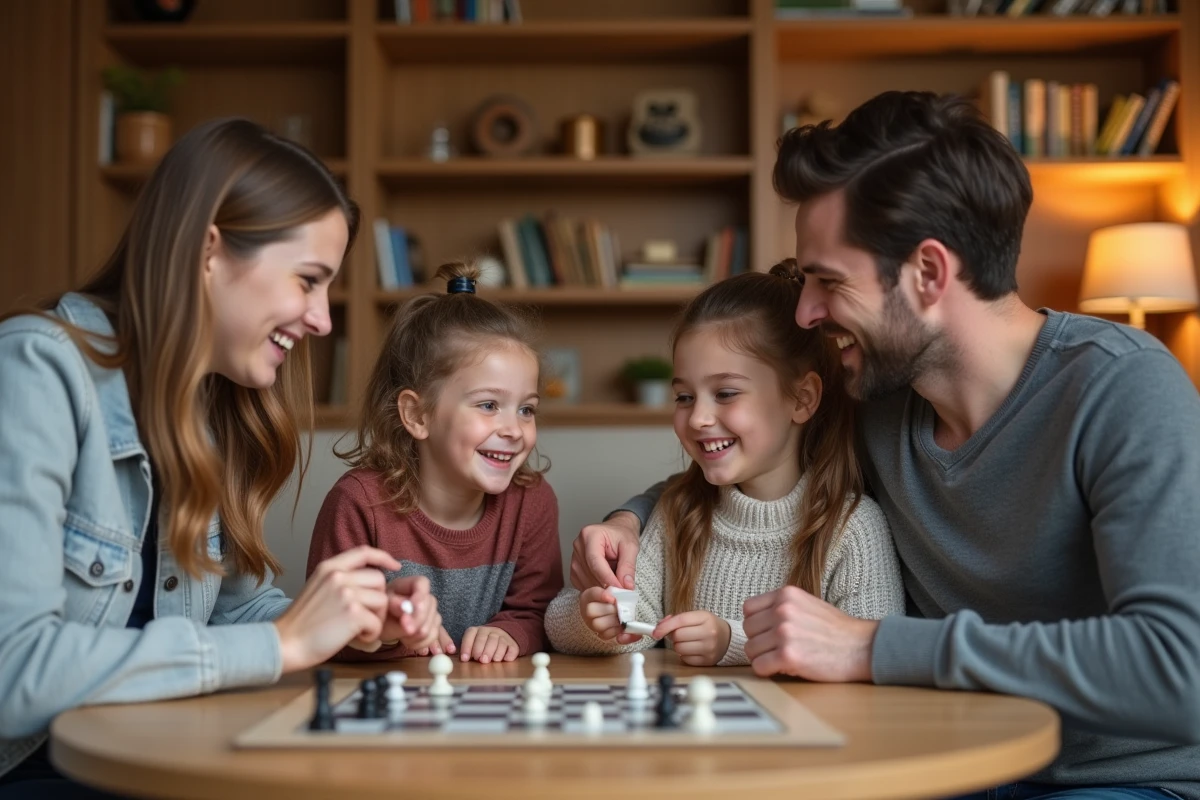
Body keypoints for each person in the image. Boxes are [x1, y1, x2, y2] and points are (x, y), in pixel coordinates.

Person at [570, 91, 1200, 799]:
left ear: (929, 274)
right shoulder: (874, 399)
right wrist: (630, 517)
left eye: (829, 281)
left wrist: (872, 646)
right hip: (939, 767)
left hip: (1114, 783)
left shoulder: (1123, 390)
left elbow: (1179, 669)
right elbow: (749, 465)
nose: (806, 311)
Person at [0, 118, 442, 798]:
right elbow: (13, 671)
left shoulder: (208, 406)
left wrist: (348, 627)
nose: (323, 320)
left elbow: (228, 611)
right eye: (308, 279)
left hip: (159, 755)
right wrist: (284, 645)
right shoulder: (35, 371)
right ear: (209, 251)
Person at [544, 266, 904, 666]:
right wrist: (594, 619)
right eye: (683, 397)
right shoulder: (678, 513)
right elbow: (560, 625)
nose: (698, 418)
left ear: (802, 399)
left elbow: (875, 655)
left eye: (726, 393)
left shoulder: (853, 529)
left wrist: (733, 640)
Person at [306, 261, 563, 665]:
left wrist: (510, 631)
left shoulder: (531, 503)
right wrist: (393, 633)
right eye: (489, 405)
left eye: (527, 409)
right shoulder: (357, 503)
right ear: (418, 415)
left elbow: (539, 613)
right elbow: (323, 631)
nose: (514, 429)